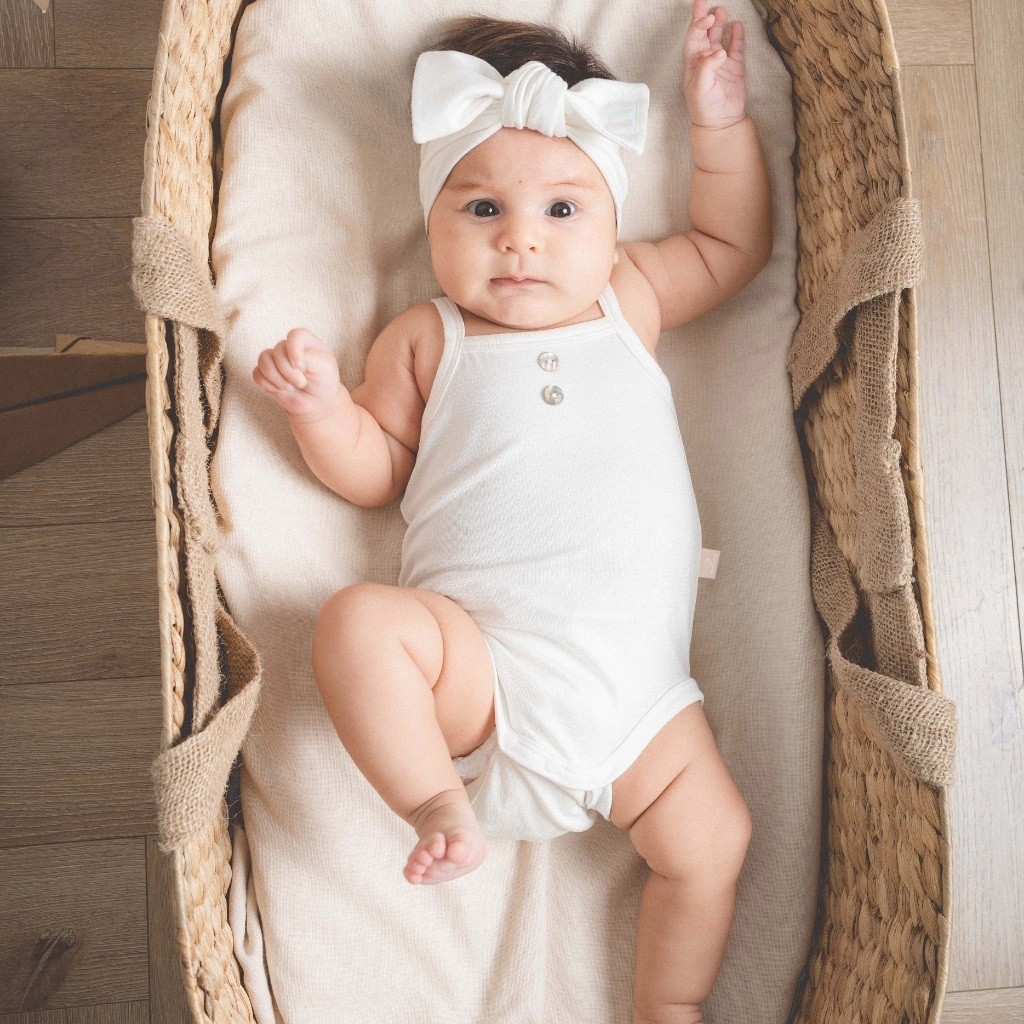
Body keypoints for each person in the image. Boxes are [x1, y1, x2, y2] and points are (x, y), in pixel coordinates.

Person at [253, 4, 770, 1021]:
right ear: (433, 221)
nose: (521, 239)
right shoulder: (426, 337)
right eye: (482, 208)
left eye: (563, 210)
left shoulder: (631, 296)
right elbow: (376, 470)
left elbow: (731, 239)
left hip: (637, 699)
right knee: (357, 624)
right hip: (480, 669)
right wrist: (321, 411)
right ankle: (433, 802)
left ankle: (668, 1004)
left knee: (714, 841)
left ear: (613, 226)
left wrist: (718, 122)